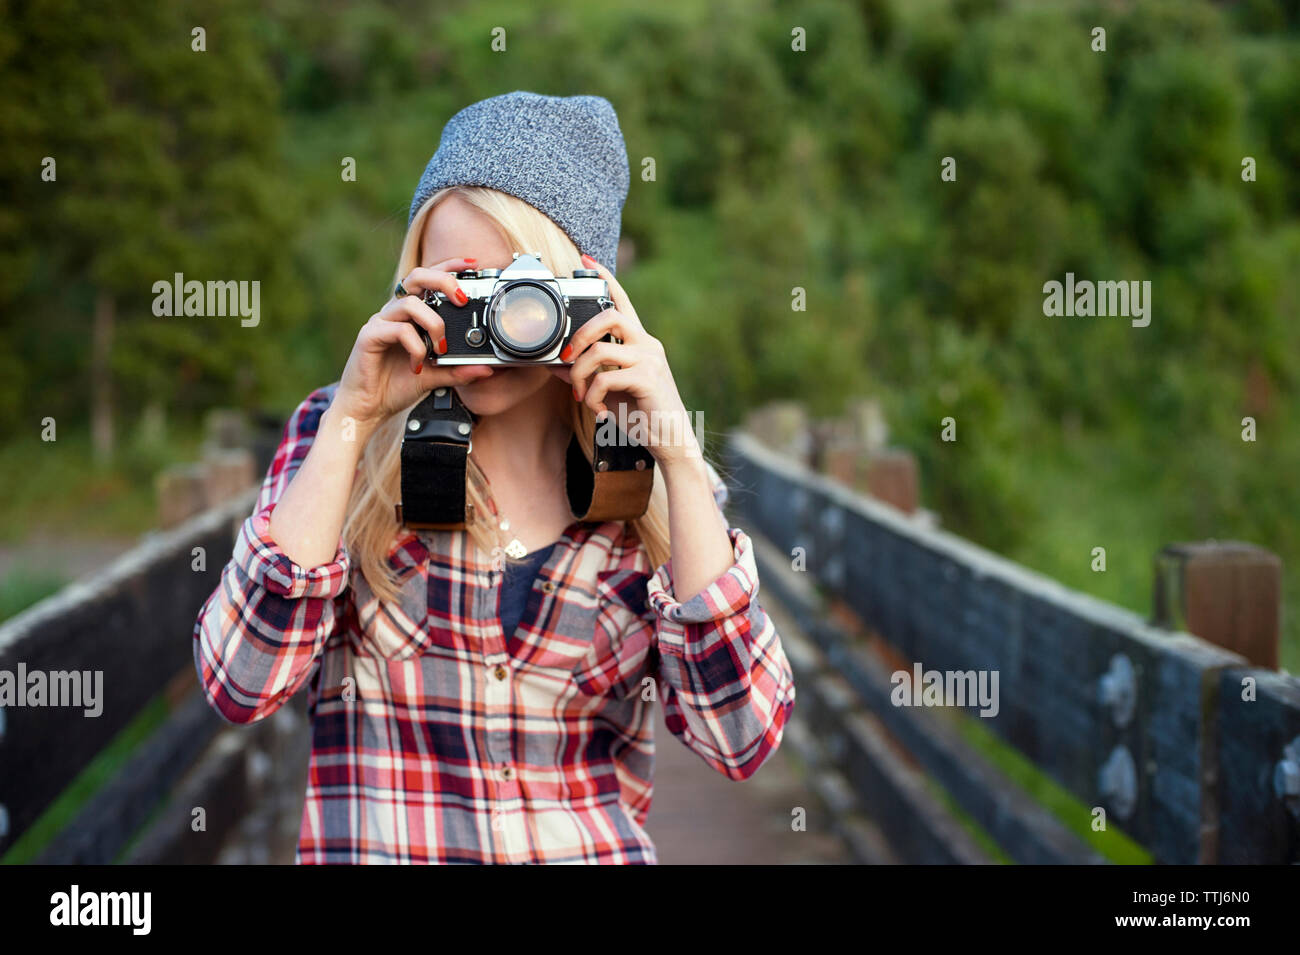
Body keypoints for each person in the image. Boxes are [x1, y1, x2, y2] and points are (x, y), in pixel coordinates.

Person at [192, 90, 795, 864]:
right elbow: (240, 683)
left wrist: (676, 451)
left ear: (586, 296)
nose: (494, 323)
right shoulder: (337, 442)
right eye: (461, 289)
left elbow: (741, 739)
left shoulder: (648, 482)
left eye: (521, 292)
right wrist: (354, 414)